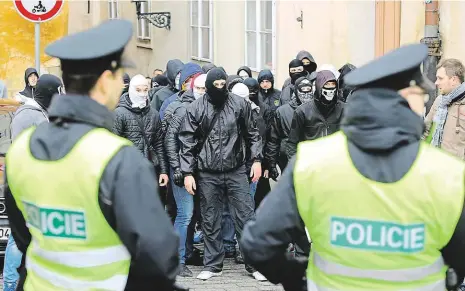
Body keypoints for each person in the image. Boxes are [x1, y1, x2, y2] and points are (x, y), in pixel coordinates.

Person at [240, 43, 465, 291]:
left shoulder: (312, 163)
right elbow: (459, 257)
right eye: (421, 96)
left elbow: (257, 243)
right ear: (405, 98)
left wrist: (297, 279)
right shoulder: (447, 173)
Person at [4, 19, 180, 291]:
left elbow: (23, 235)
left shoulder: (22, 149)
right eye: (118, 78)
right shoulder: (118, 158)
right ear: (104, 81)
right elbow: (158, 256)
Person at [178, 68, 265, 281]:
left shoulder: (239, 104)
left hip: (235, 169)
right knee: (210, 218)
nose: (219, 88)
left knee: (246, 215)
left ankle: (254, 265)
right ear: (208, 86)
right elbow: (186, 141)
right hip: (207, 171)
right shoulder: (196, 108)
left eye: (222, 84)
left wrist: (256, 160)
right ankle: (212, 264)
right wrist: (187, 172)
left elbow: (253, 133)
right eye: (215, 84)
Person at [3, 74, 64, 291]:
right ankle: (10, 283)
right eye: (58, 92)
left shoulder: (40, 114)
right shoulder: (29, 115)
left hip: (37, 182)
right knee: (18, 237)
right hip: (27, 183)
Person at [164, 73, 207, 277]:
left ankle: (187, 253)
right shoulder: (183, 109)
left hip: (199, 169)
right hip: (182, 168)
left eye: (205, 89)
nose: (202, 92)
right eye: (199, 88)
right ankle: (177, 260)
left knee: (193, 214)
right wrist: (177, 168)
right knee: (185, 213)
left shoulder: (207, 107)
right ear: (192, 88)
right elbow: (170, 141)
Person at [264, 76, 315, 179]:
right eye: (302, 90)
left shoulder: (317, 109)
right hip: (287, 160)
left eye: (308, 89)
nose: (305, 94)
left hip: (312, 160)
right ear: (296, 91)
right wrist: (272, 163)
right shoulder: (282, 111)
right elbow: (274, 139)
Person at [286, 70, 344, 159]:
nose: (330, 89)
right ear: (319, 86)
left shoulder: (344, 109)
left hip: (336, 164)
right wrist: (296, 167)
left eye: (333, 85)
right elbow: (292, 144)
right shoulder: (302, 111)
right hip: (310, 164)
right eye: (327, 85)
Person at [423, 59, 465, 158]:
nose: (436, 82)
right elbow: (425, 130)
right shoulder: (439, 101)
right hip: (435, 164)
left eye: (440, 78)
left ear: (454, 80)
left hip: (457, 170)